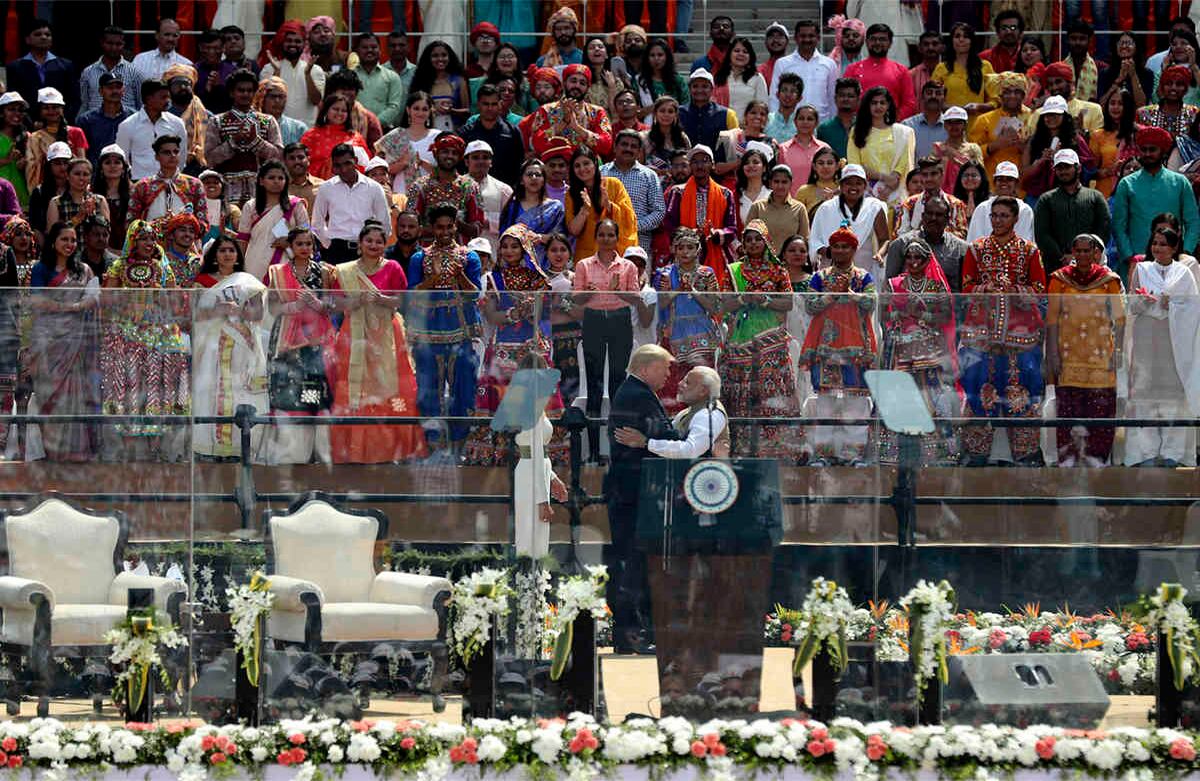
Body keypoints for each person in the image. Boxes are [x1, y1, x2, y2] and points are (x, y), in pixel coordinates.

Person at [323, 218, 428, 463]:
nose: (373, 244)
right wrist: (355, 302)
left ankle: (392, 449)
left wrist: (381, 298)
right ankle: (353, 450)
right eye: (368, 240)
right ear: (359, 244)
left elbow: (402, 301)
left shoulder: (393, 267)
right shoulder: (345, 270)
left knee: (391, 387)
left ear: (385, 245)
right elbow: (336, 303)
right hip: (354, 334)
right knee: (353, 386)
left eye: (379, 241)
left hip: (387, 335)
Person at [958, 196, 1047, 466]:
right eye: (994, 215)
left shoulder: (1030, 251)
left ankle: (1025, 453)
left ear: (1015, 219)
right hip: (981, 334)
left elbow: (1040, 290)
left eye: (1003, 216)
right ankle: (976, 453)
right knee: (978, 386)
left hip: (1019, 335)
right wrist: (985, 289)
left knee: (1021, 389)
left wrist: (1016, 291)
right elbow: (967, 286)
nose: (997, 220)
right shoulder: (976, 249)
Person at [464, 224, 561, 467]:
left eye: (514, 246)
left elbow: (542, 315)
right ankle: (497, 452)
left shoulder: (539, 280)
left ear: (524, 248)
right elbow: (491, 316)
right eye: (504, 246)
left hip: (532, 348)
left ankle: (535, 451)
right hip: (503, 348)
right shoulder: (492, 278)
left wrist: (531, 309)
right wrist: (515, 313)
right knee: (500, 397)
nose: (508, 251)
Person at [101, 220, 189, 459]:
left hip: (158, 335)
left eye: (152, 239)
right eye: (143, 239)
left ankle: (156, 445)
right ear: (133, 241)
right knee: (127, 385)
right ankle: (128, 444)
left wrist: (159, 295)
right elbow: (107, 302)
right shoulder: (119, 266)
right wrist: (129, 299)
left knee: (157, 387)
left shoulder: (163, 267)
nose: (149, 243)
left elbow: (175, 301)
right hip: (126, 335)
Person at [719, 220, 799, 458]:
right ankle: (742, 449)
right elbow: (723, 302)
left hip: (770, 340)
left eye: (758, 239)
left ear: (766, 242)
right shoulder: (733, 270)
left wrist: (764, 300)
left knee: (771, 393)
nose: (753, 243)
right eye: (749, 239)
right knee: (741, 394)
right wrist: (744, 299)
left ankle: (775, 450)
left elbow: (789, 302)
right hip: (740, 340)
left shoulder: (778, 271)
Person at [878, 236, 961, 465]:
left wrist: (922, 315)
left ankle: (935, 453)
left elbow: (945, 316)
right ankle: (894, 453)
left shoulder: (936, 286)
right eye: (909, 257)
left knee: (932, 396)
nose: (913, 262)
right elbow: (883, 314)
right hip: (900, 348)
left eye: (918, 257)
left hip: (929, 349)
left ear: (927, 260)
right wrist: (903, 314)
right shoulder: (893, 284)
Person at [1044, 233, 1124, 467]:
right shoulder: (1059, 279)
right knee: (1068, 412)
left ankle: (1098, 460)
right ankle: (1068, 460)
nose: (1082, 255)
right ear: (1072, 253)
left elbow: (1120, 319)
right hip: (1068, 360)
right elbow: (1051, 321)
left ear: (1095, 253)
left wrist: (1117, 353)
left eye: (1086, 251)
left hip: (1101, 360)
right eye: (1077, 251)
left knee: (1100, 413)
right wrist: (1052, 356)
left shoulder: (1109, 280)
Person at [405, 204, 482, 449]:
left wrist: (459, 276)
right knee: (429, 390)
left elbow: (475, 294)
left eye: (450, 226)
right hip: (428, 331)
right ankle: (433, 443)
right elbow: (412, 294)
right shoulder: (420, 257)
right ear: (432, 229)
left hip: (460, 329)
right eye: (440, 227)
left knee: (464, 388)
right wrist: (435, 279)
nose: (445, 232)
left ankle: (460, 442)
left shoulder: (469, 256)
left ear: (456, 227)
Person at [801, 225, 877, 465]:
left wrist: (852, 294)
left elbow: (871, 304)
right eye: (836, 246)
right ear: (830, 250)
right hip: (826, 350)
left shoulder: (864, 276)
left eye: (845, 247)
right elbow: (810, 307)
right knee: (825, 403)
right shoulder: (819, 277)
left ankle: (852, 454)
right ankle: (824, 454)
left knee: (855, 404)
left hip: (856, 349)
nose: (840, 251)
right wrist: (832, 294)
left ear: (854, 250)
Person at [1124, 227, 1200, 466]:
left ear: (1174, 248)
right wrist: (1143, 301)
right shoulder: (1142, 269)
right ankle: (1143, 453)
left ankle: (1173, 452)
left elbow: (1193, 309)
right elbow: (1131, 304)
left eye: (1163, 244)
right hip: (1146, 336)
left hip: (1173, 341)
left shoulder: (1184, 273)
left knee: (1174, 395)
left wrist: (1173, 303)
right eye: (1155, 243)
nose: (1157, 248)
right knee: (1144, 391)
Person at [191, 235, 268, 459]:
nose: (227, 254)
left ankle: (238, 446)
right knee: (212, 393)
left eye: (231, 250)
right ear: (214, 255)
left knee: (239, 391)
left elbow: (258, 313)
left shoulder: (247, 281)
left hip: (241, 345)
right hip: (212, 347)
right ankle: (210, 447)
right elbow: (194, 314)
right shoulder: (203, 281)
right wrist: (218, 309)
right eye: (222, 250)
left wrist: (240, 311)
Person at [27, 221, 99, 461]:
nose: (70, 244)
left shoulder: (84, 271)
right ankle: (53, 451)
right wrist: (72, 307)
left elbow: (93, 298)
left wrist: (74, 307)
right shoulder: (41, 269)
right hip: (48, 341)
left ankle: (76, 451)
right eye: (64, 240)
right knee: (50, 394)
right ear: (53, 243)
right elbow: (37, 302)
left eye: (73, 240)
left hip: (75, 340)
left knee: (75, 393)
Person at [264, 227, 334, 464]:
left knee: (312, 389)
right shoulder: (278, 272)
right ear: (291, 247)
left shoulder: (324, 272)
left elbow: (331, 305)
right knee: (285, 388)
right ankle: (286, 452)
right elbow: (272, 307)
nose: (305, 248)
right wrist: (292, 307)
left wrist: (315, 303)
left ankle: (311, 451)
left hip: (315, 341)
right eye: (300, 244)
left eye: (309, 244)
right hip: (286, 340)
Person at [573, 219, 642, 454]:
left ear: (617, 237)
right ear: (596, 237)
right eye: (601, 234)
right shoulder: (584, 265)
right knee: (593, 385)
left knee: (617, 383)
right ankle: (593, 452)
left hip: (619, 320)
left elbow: (635, 298)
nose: (606, 239)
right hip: (593, 319)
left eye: (610, 235)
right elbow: (576, 299)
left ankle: (617, 449)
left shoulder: (628, 267)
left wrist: (617, 290)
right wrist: (587, 293)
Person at [1113, 126, 1200, 285]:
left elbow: (1193, 221)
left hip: (1174, 263)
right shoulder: (1127, 184)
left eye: (1152, 150)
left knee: (1176, 306)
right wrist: (1130, 256)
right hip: (1137, 262)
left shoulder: (1180, 182)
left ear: (1163, 152)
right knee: (1138, 307)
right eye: (1143, 150)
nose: (1147, 154)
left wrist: (1184, 253)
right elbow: (1119, 226)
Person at [203, 71, 283, 209]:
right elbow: (210, 158)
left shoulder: (268, 121)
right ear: (232, 93)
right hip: (226, 190)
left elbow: (278, 157)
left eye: (250, 91)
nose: (245, 94)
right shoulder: (217, 121)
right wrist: (234, 141)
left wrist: (256, 141)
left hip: (260, 189)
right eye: (241, 90)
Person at [662, 145, 737, 289]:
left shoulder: (725, 193)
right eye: (695, 162)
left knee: (717, 292)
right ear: (690, 166)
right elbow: (670, 224)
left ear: (712, 165)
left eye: (704, 161)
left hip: (715, 251)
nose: (700, 165)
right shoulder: (678, 192)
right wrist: (690, 234)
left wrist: (719, 234)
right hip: (684, 252)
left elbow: (732, 228)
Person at [1033, 150, 1111, 276]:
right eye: (1059, 168)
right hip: (1056, 268)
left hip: (1091, 266)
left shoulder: (1095, 197)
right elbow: (1042, 234)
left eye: (1067, 167)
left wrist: (1085, 255)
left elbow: (1103, 229)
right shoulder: (1046, 199)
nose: (1063, 171)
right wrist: (1063, 257)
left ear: (1078, 168)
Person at [311, 144, 391, 265]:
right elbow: (317, 223)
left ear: (356, 161)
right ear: (334, 166)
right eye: (338, 165)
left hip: (366, 250)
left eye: (347, 163)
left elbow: (384, 223)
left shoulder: (374, 188)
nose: (343, 169)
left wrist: (373, 247)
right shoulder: (326, 188)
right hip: (336, 251)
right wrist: (329, 243)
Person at [809, 164, 890, 280]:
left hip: (865, 272)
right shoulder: (826, 208)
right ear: (841, 186)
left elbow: (884, 239)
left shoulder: (874, 207)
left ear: (865, 186)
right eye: (848, 183)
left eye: (858, 183)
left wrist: (879, 254)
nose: (854, 187)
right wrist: (832, 253)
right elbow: (815, 241)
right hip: (831, 272)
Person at [236, 160, 308, 280]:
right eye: (271, 178)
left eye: (281, 178)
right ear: (261, 181)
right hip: (255, 262)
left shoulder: (295, 205)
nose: (276, 181)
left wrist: (289, 241)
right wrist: (238, 267)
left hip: (286, 262)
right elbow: (243, 240)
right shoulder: (250, 206)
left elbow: (307, 235)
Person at [406, 133, 485, 242]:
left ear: (460, 157)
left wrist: (456, 224)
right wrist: (438, 227)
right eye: (445, 152)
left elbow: (478, 228)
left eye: (454, 153)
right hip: (427, 253)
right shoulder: (419, 186)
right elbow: (409, 225)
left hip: (461, 252)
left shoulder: (470, 186)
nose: (449, 156)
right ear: (435, 154)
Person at [1019, 96, 1097, 204]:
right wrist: (1042, 161)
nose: (1050, 118)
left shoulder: (1076, 140)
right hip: (1037, 198)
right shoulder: (1034, 141)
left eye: (1055, 115)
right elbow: (1024, 174)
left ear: (1064, 116)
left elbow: (1089, 169)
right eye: (1047, 115)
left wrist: (1062, 158)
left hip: (1068, 197)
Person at [847, 86, 915, 207]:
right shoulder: (857, 131)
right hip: (865, 193)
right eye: (874, 103)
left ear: (888, 105)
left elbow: (902, 165)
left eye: (882, 103)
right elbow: (855, 165)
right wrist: (880, 181)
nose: (878, 106)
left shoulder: (902, 133)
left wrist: (887, 188)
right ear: (867, 106)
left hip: (895, 194)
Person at [565, 147, 638, 260]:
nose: (582, 168)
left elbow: (629, 219)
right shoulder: (571, 194)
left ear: (595, 163)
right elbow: (574, 231)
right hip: (587, 257)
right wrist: (584, 210)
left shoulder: (614, 184)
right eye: (577, 166)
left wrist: (608, 205)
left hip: (614, 254)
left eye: (586, 163)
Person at [528, 64, 614, 159]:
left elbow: (606, 145)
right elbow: (537, 143)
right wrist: (562, 123)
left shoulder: (597, 112)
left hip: (587, 168)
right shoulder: (546, 110)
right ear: (564, 83)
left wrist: (577, 128)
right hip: (557, 168)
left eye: (582, 83)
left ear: (588, 87)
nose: (577, 85)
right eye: (573, 81)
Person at [887, 194, 969, 292]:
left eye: (939, 215)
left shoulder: (961, 248)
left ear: (948, 220)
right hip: (907, 305)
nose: (933, 218)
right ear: (922, 216)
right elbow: (889, 289)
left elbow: (965, 290)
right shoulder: (901, 244)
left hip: (948, 305)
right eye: (929, 214)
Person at [126, 135, 207, 233]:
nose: (172, 155)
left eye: (176, 152)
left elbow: (203, 222)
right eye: (166, 152)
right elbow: (130, 224)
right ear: (156, 156)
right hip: (151, 244)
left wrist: (183, 228)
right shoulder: (142, 186)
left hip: (186, 245)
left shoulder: (194, 185)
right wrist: (153, 226)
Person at [601, 129, 665, 252]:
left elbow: (659, 211)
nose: (628, 149)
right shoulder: (601, 173)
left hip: (638, 247)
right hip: (605, 245)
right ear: (615, 147)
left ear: (639, 151)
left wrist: (633, 226)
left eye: (633, 146)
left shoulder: (649, 176)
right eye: (624, 144)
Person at [970, 73, 1035, 188]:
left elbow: (1041, 153)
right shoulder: (984, 120)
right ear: (1000, 95)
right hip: (992, 185)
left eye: (1017, 92)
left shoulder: (1034, 118)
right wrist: (994, 146)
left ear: (1024, 95)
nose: (1012, 96)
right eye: (1007, 92)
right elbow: (970, 155)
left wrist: (1025, 149)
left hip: (1024, 187)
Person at [6, 19, 78, 121]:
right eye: (38, 34)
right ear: (27, 39)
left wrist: (62, 121)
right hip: (26, 126)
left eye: (47, 35)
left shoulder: (65, 66)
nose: (43, 37)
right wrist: (29, 123)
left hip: (60, 124)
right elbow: (13, 101)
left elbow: (74, 99)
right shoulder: (15, 67)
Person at [115, 80, 189, 181]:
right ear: (149, 99)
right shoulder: (128, 125)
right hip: (139, 183)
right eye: (163, 97)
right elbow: (122, 158)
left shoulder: (177, 123)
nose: (168, 101)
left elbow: (182, 156)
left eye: (168, 97)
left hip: (171, 182)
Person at [843, 24, 917, 121]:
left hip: (891, 128)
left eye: (882, 39)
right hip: (860, 127)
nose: (877, 42)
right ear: (866, 42)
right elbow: (845, 100)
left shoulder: (901, 71)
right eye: (873, 39)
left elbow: (909, 104)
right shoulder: (852, 69)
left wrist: (890, 120)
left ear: (890, 43)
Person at [498, 159, 566, 264]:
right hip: (515, 267)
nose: (534, 178)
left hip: (545, 264)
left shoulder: (555, 207)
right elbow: (503, 238)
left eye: (538, 175)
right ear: (522, 180)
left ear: (544, 180)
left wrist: (540, 238)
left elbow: (561, 238)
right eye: (530, 174)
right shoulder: (512, 207)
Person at [260, 20, 325, 127]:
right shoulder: (269, 69)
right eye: (289, 40)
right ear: (282, 43)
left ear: (304, 44)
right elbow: (264, 101)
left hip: (306, 130)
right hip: (275, 129)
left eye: (297, 41)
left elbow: (316, 101)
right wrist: (277, 72)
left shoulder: (315, 70)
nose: (293, 44)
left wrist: (308, 74)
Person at [768, 20, 837, 121]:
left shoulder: (829, 64)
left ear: (818, 38)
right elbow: (774, 97)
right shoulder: (782, 64)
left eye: (811, 36)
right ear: (795, 38)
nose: (807, 39)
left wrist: (831, 122)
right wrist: (776, 122)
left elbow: (832, 97)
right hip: (791, 124)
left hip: (821, 123)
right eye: (803, 36)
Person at [375, 91, 440, 197]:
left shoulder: (437, 137)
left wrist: (423, 164)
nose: (420, 113)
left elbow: (445, 172)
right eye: (416, 108)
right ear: (408, 110)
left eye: (424, 109)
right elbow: (379, 168)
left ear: (430, 112)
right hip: (401, 194)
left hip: (430, 194)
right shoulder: (396, 135)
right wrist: (402, 164)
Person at [459, 84, 523, 186]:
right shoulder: (466, 133)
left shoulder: (512, 132)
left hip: (505, 192)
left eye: (494, 104)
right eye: (485, 104)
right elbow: (460, 167)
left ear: (500, 104)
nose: (489, 108)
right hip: (471, 191)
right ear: (478, 104)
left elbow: (519, 165)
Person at [24, 88, 88, 191]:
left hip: (73, 188)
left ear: (62, 109)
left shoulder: (76, 133)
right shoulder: (35, 138)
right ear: (40, 111)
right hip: (45, 189)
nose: (51, 111)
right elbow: (31, 167)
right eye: (46, 108)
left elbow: (82, 165)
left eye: (55, 107)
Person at [931, 23, 996, 121]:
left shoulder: (985, 66)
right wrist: (958, 110)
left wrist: (979, 106)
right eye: (957, 36)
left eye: (966, 36)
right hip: (950, 124)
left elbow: (996, 100)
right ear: (952, 41)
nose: (961, 40)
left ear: (972, 41)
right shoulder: (941, 68)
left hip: (978, 125)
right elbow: (934, 99)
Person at [894, 155, 969, 239]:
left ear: (941, 175)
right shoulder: (909, 204)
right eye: (925, 175)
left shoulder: (956, 204)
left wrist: (938, 235)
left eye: (933, 174)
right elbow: (899, 235)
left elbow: (963, 234)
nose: (929, 179)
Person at [299, 95, 369, 180]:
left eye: (344, 111)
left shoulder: (356, 137)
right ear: (326, 111)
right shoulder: (311, 136)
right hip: (318, 187)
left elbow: (367, 165)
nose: (339, 113)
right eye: (336, 109)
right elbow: (300, 163)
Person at [966, 161, 1035, 244]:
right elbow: (973, 242)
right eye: (1000, 179)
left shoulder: (1025, 210)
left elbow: (1025, 242)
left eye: (1009, 179)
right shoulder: (982, 208)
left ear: (1016, 183)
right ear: (994, 183)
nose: (1004, 183)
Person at [408, 41, 470, 132]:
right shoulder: (421, 81)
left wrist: (451, 111)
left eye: (444, 55)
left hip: (454, 133)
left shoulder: (459, 81)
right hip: (426, 133)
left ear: (449, 57)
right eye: (435, 56)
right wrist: (431, 109)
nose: (440, 59)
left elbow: (467, 112)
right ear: (428, 58)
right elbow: (412, 111)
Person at [747, 164, 810, 253]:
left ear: (791, 183)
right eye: (776, 181)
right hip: (762, 263)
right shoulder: (757, 207)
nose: (780, 186)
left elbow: (804, 240)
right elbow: (748, 238)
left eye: (784, 182)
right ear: (770, 183)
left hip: (789, 263)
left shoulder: (799, 208)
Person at [79, 26, 140, 116]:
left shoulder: (134, 72)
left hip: (126, 124)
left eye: (118, 44)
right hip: (96, 124)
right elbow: (84, 103)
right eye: (110, 43)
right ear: (102, 43)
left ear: (123, 44)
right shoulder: (88, 72)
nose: (114, 48)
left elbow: (140, 103)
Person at [463, 140, 511, 255]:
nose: (481, 161)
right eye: (475, 157)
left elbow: (512, 221)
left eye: (485, 157)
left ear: (491, 162)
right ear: (466, 161)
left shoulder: (503, 190)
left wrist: (489, 223)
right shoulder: (456, 186)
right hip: (462, 248)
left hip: (493, 251)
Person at [1090, 89, 1138, 198]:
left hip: (1134, 193)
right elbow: (1091, 172)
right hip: (1106, 194)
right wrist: (1109, 171)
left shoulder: (1138, 134)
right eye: (1112, 103)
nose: (1115, 107)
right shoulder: (1097, 135)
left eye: (1120, 104)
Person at [77, 74, 133, 168]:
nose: (115, 91)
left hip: (128, 174)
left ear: (123, 91)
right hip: (97, 176)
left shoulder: (134, 117)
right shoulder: (87, 120)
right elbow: (83, 153)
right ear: (100, 91)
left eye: (118, 87)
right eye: (110, 88)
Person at [677, 69, 738, 153]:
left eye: (705, 86)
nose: (699, 90)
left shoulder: (727, 114)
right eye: (695, 86)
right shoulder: (678, 113)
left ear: (712, 89)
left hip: (719, 165)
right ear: (689, 88)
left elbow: (735, 145)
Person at [352, 33, 404, 131]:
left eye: (374, 47)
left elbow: (394, 106)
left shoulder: (392, 77)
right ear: (357, 51)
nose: (370, 50)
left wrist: (374, 124)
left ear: (380, 50)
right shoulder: (350, 75)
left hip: (383, 130)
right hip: (354, 129)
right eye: (364, 47)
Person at [711, 37, 768, 123]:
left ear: (750, 56)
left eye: (745, 52)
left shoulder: (757, 78)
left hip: (747, 129)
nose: (740, 54)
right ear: (729, 54)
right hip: (721, 128)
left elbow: (763, 107)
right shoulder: (718, 77)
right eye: (737, 51)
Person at [45, 157, 110, 231]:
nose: (81, 178)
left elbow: (107, 231)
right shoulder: (56, 202)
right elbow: (52, 234)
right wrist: (78, 218)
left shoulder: (99, 201)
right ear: (68, 176)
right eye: (77, 174)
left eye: (85, 174)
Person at [1136, 65, 1200, 139]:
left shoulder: (1194, 114)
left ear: (1186, 89)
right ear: (1162, 87)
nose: (1173, 88)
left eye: (1179, 84)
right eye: (1168, 84)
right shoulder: (1144, 113)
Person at [1097, 32, 1152, 110]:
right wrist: (1118, 80)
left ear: (1136, 47)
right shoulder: (1104, 73)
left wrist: (1133, 75)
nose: (1124, 46)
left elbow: (1142, 107)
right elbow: (1100, 106)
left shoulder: (1147, 74)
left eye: (1129, 43)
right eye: (1121, 43)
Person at [634, 38, 689, 110]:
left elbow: (686, 106)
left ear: (667, 57)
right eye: (652, 55)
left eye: (660, 55)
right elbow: (635, 112)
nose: (656, 59)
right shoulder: (639, 81)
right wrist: (657, 106)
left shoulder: (678, 80)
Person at [131, 18, 191, 84]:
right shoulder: (140, 60)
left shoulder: (186, 64)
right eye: (167, 34)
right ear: (157, 35)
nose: (170, 39)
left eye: (175, 36)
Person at [94, 144, 131, 250]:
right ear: (101, 168)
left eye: (117, 162)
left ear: (123, 169)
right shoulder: (91, 194)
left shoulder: (134, 194)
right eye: (107, 163)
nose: (112, 166)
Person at [903, 80, 949, 162]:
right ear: (922, 97)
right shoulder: (908, 125)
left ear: (944, 98)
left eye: (938, 93)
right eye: (929, 93)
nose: (933, 96)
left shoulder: (951, 127)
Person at [981, 8, 1025, 73]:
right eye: (1004, 28)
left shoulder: (1029, 56)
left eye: (1013, 28)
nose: (1009, 32)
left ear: (1021, 32)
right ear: (997, 32)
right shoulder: (984, 57)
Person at [283, 143, 322, 214]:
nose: (297, 161)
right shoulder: (280, 187)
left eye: (301, 157)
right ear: (285, 162)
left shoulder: (322, 186)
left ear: (308, 160)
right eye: (292, 158)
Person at [910, 29, 944, 99]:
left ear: (942, 48)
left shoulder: (950, 73)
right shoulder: (911, 75)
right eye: (926, 44)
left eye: (935, 44)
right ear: (919, 48)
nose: (930, 47)